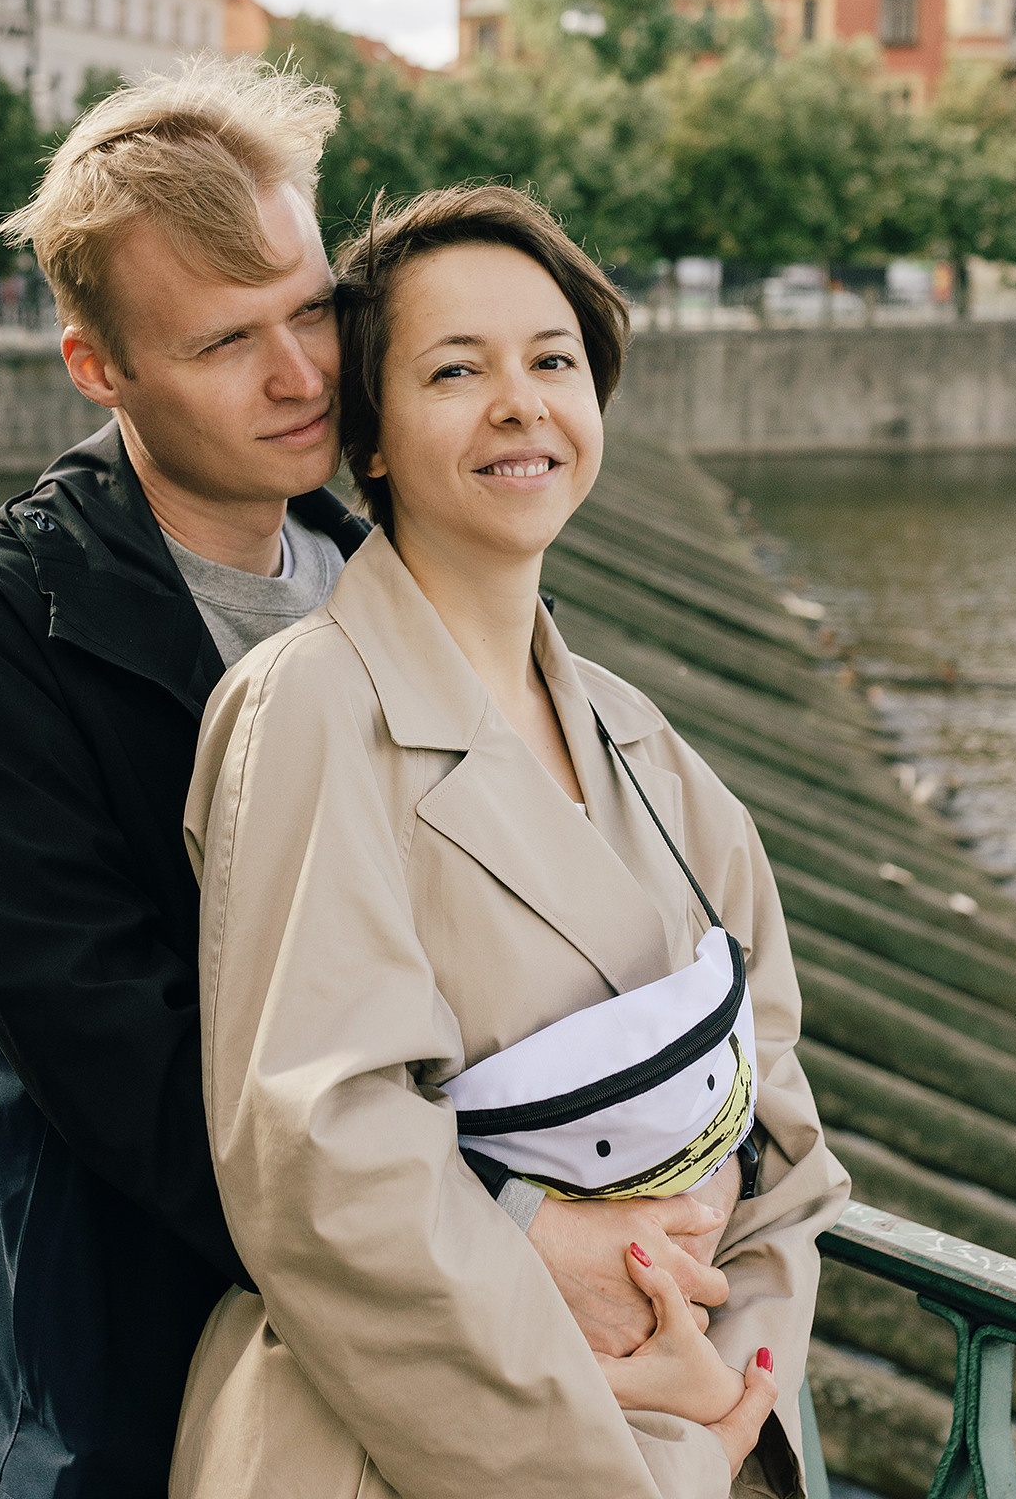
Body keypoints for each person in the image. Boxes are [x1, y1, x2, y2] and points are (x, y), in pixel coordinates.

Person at [0, 63, 752, 1499]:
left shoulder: (368, 570)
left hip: (471, 1378)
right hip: (141, 1395)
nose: (298, 377)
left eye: (312, 310)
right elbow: (142, 1082)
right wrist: (521, 1231)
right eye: (224, 342)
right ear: (99, 367)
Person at [173, 184, 849, 1499]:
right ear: (369, 439)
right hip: (408, 1452)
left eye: (552, 361)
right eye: (454, 370)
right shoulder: (312, 704)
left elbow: (785, 1150)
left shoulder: (650, 748)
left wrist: (727, 1409)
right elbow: (328, 1173)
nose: (521, 404)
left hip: (680, 1439)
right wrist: (619, 1463)